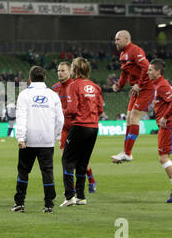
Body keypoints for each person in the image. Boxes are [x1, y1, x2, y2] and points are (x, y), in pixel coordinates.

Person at [11, 66, 64, 213]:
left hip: (29, 140)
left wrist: (20, 137)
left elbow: (21, 117)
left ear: (30, 78)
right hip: (47, 140)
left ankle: (20, 203)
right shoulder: (53, 95)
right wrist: (55, 136)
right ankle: (49, 205)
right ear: (45, 78)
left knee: (23, 171)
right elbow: (60, 119)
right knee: (47, 172)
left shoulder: (24, 95)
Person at [60, 57, 103, 207]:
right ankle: (81, 196)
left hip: (79, 126)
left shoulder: (73, 85)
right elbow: (100, 109)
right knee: (82, 162)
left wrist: (62, 111)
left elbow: (71, 110)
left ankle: (69, 196)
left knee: (67, 160)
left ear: (76, 70)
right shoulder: (95, 86)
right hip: (94, 127)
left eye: (71, 66)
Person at [52, 61, 97, 193]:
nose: (60, 73)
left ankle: (91, 179)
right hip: (63, 128)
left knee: (80, 160)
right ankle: (71, 189)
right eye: (59, 71)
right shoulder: (54, 88)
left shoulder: (75, 85)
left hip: (77, 126)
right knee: (64, 158)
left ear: (70, 71)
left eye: (63, 71)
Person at [111, 30, 155, 164]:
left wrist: (140, 85)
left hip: (145, 88)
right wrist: (119, 85)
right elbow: (125, 72)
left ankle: (127, 153)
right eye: (115, 39)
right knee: (129, 118)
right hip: (136, 89)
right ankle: (126, 152)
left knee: (134, 117)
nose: (116, 42)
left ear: (126, 38)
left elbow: (146, 68)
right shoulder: (123, 54)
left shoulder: (135, 50)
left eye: (118, 39)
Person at [147, 59, 172, 203]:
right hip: (165, 125)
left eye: (151, 70)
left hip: (167, 125)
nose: (148, 72)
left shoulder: (162, 85)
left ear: (158, 72)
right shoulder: (157, 84)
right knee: (163, 157)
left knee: (163, 157)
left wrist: (165, 116)